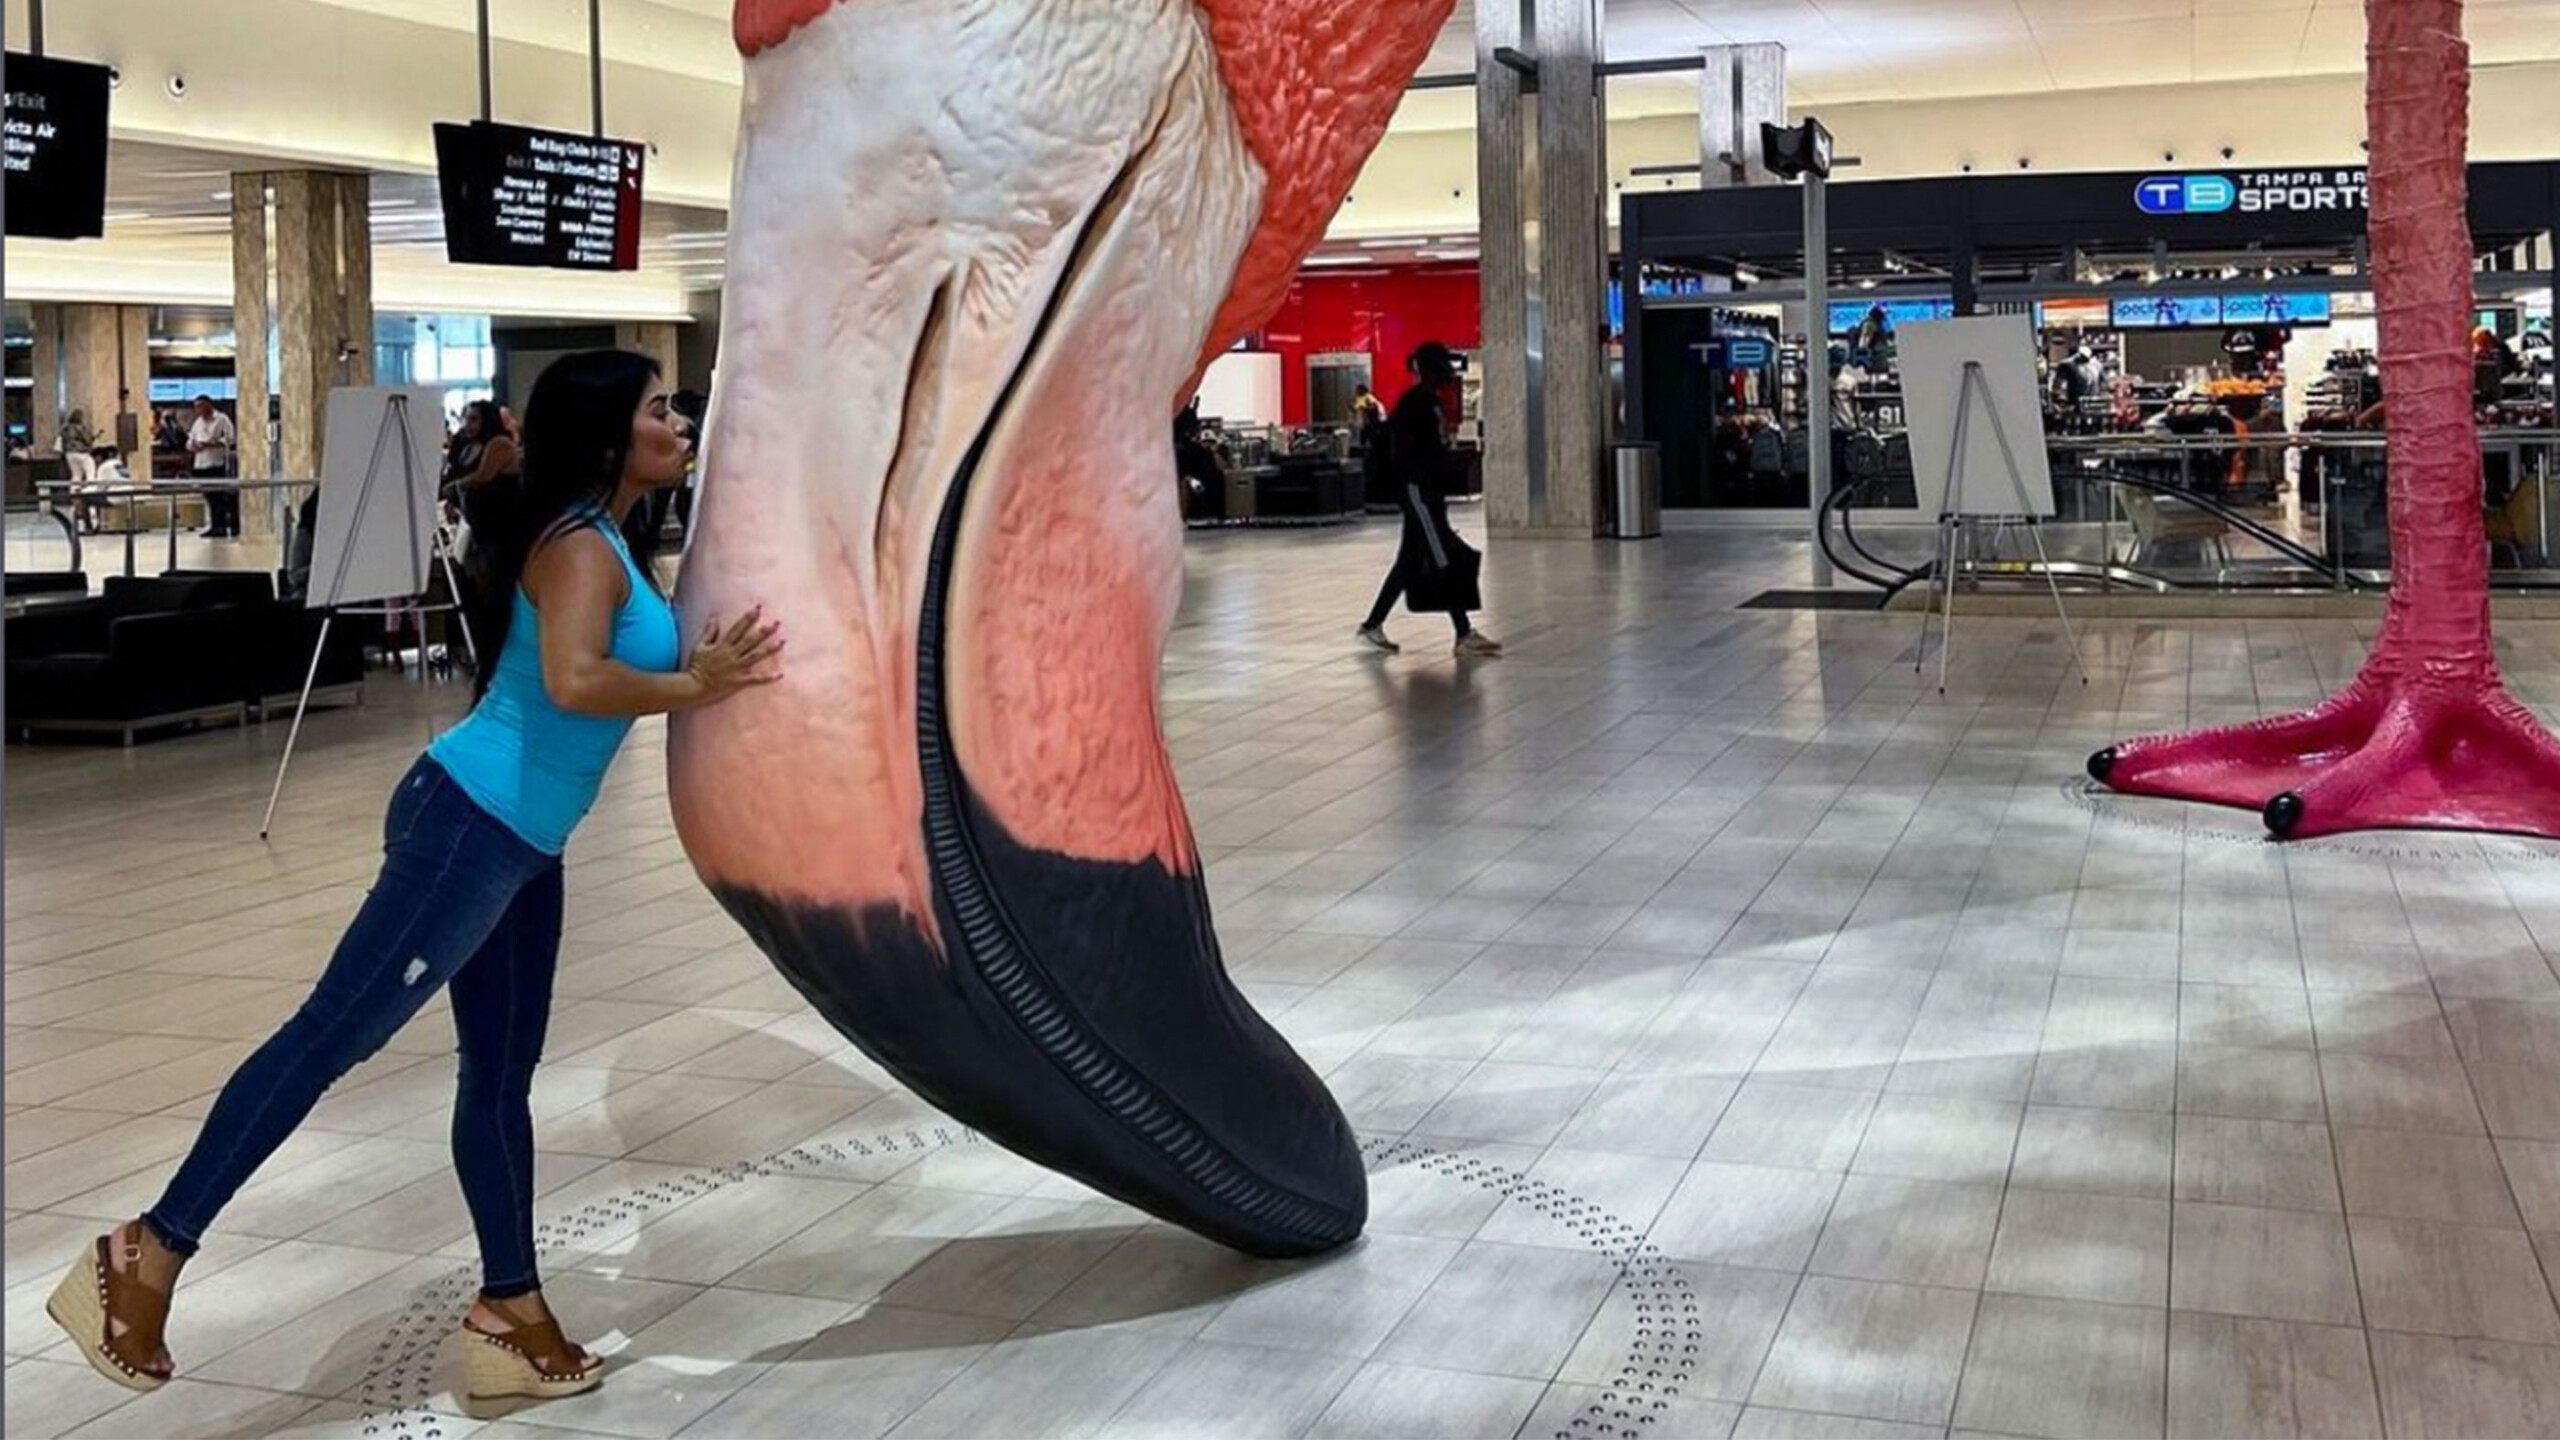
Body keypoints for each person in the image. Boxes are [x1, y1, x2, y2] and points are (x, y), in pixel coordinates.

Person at [46, 350, 784, 1407]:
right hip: (469, 828)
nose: (680, 423)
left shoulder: (609, 538)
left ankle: (510, 1312)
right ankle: (145, 1253)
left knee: (498, 1080)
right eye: (660, 408)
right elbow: (576, 682)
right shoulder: (580, 546)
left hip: (520, 842)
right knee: (325, 1041)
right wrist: (695, 684)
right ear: (610, 435)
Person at [1357, 340, 1499, 657]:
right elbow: (1410, 453)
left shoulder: (1428, 401)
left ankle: (1372, 625)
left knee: (1409, 561)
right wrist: (1442, 464)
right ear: (1431, 369)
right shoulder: (1415, 402)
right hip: (1420, 491)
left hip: (1428, 490)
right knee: (1442, 556)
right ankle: (1463, 634)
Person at [186, 396, 240, 538]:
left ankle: (223, 526)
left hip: (217, 463)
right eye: (196, 407)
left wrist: (211, 444)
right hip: (201, 464)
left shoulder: (221, 419)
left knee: (220, 497)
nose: (198, 410)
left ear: (209, 405)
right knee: (209, 497)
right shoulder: (198, 423)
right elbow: (190, 439)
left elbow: (230, 439)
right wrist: (193, 446)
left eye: (201, 406)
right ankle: (215, 525)